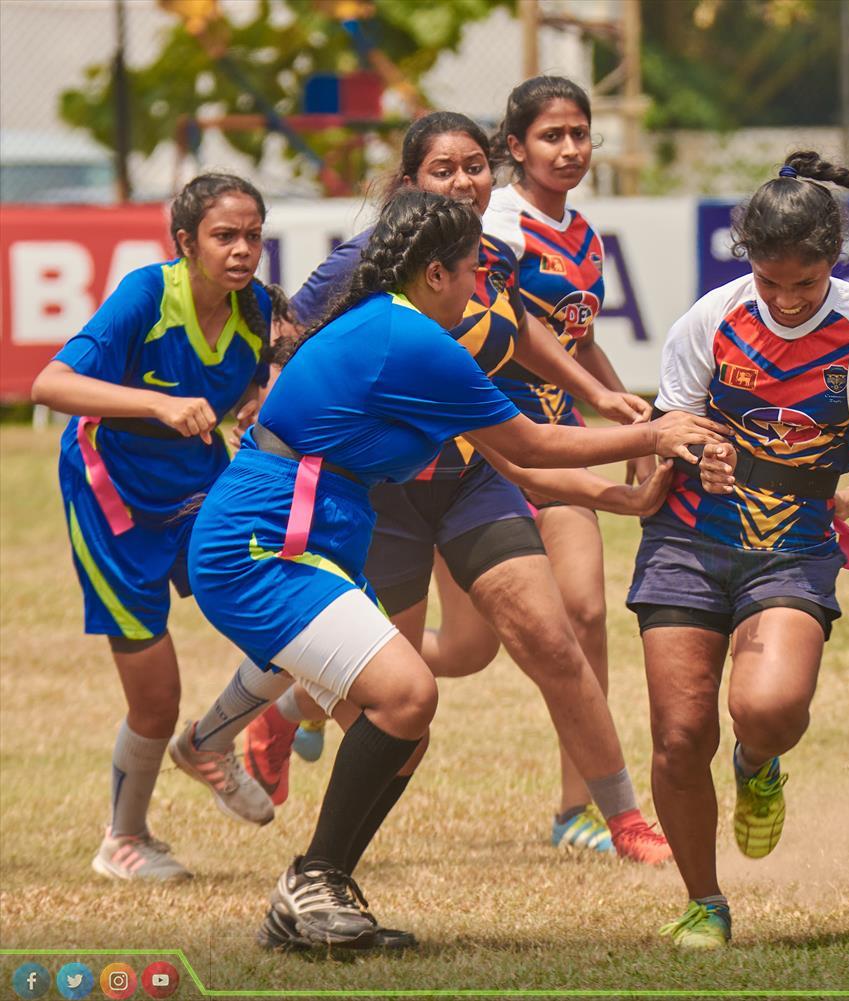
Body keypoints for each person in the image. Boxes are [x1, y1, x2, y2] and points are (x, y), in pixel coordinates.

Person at [184, 188, 724, 950]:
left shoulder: (400, 333)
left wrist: (626, 500)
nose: (481, 289)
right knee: (408, 694)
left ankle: (314, 889)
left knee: (404, 727)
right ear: (435, 273)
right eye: (474, 271)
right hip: (263, 544)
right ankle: (310, 877)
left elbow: (517, 467)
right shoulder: (412, 340)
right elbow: (536, 443)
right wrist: (658, 429)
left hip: (305, 537)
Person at [233, 111, 674, 864]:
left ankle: (625, 819)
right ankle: (292, 744)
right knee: (395, 695)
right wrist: (264, 395)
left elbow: (520, 324)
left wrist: (595, 392)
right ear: (409, 183)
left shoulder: (488, 253)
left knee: (539, 639)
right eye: (445, 169)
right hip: (386, 497)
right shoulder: (364, 263)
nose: (466, 181)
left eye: (476, 165)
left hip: (471, 476)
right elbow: (285, 334)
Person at [640, 151, 849, 949]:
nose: (787, 299)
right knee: (681, 735)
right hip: (688, 535)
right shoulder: (710, 320)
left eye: (806, 282)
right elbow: (667, 429)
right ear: (747, 258)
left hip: (793, 546)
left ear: (834, 261)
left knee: (770, 708)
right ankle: (704, 901)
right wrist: (690, 454)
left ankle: (759, 762)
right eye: (771, 281)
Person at [31, 173, 284, 880]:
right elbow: (50, 385)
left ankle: (210, 741)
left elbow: (258, 379)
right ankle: (123, 840)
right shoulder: (148, 294)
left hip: (200, 480)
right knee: (155, 696)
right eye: (224, 236)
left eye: (254, 235)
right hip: (113, 494)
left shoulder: (257, 308)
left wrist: (258, 396)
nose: (242, 250)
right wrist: (155, 404)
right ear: (185, 242)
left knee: (289, 615)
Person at [484, 76, 656, 851]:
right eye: (552, 136)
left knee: (584, 613)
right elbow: (512, 330)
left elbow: (578, 337)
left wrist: (632, 413)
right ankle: (294, 705)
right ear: (515, 146)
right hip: (481, 441)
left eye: (580, 134)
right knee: (458, 649)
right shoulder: (497, 224)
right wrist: (609, 406)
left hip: (556, 433)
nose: (571, 149)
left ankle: (575, 808)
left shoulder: (582, 232)